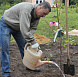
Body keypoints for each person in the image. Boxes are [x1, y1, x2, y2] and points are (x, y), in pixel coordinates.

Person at [0, 1, 51, 77]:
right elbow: (24, 30)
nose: (44, 16)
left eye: (46, 15)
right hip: (6, 24)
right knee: (5, 49)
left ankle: (29, 65)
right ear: (40, 7)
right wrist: (33, 42)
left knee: (24, 46)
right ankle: (6, 72)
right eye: (44, 13)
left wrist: (31, 40)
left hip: (18, 27)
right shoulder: (26, 10)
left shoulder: (38, 16)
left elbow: (33, 29)